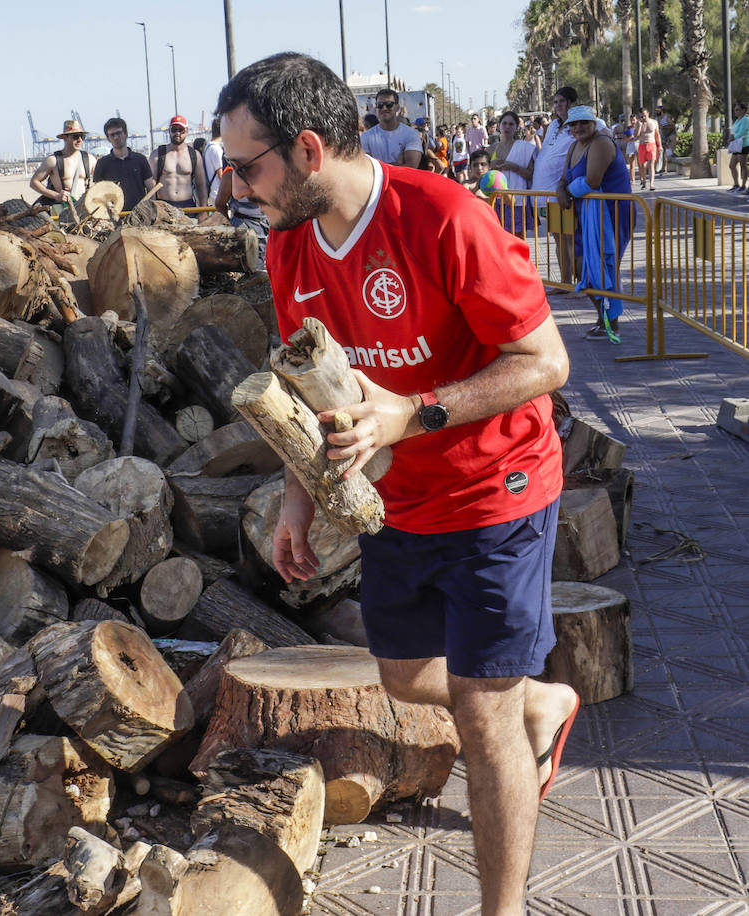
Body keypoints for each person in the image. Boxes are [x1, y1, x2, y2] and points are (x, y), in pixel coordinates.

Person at [215, 51, 576, 916]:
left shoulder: (444, 215)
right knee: (410, 677)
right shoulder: (290, 247)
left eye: (245, 164)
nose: (235, 185)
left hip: (499, 490)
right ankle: (547, 698)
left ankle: (504, 908)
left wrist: (409, 415)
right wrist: (299, 500)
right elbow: (311, 383)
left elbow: (546, 361)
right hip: (393, 505)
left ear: (306, 150)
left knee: (479, 717)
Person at [557, 105, 633, 343]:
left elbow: (592, 181)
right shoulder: (572, 147)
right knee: (582, 268)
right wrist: (561, 188)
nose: (578, 128)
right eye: (574, 124)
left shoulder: (601, 142)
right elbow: (563, 179)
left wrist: (566, 191)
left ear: (593, 123)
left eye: (584, 123)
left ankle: (611, 323)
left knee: (604, 267)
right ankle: (603, 318)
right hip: (584, 216)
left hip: (610, 215)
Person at [531, 87, 590, 284]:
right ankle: (565, 283)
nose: (558, 106)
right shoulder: (553, 126)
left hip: (561, 193)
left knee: (570, 238)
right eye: (555, 102)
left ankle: (579, 283)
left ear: (572, 103)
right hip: (543, 193)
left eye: (562, 101)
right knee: (558, 238)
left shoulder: (579, 126)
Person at [489, 110, 538, 238]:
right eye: (504, 123)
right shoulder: (491, 149)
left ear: (516, 127)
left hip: (517, 201)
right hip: (496, 201)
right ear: (499, 125)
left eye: (511, 124)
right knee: (499, 239)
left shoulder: (525, 148)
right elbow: (482, 174)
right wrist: (491, 168)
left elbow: (531, 175)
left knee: (518, 240)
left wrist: (514, 167)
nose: (507, 127)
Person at [29, 119, 98, 209]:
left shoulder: (90, 159)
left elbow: (101, 182)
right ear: (65, 138)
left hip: (84, 208)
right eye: (75, 136)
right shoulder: (53, 160)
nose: (80, 140)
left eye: (82, 136)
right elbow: (34, 182)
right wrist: (56, 195)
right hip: (63, 208)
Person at [94, 117, 156, 211]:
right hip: (114, 216)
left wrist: (151, 211)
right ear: (108, 138)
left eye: (118, 133)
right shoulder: (102, 163)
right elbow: (98, 192)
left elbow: (151, 189)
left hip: (140, 216)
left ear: (126, 134)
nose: (116, 137)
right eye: (112, 135)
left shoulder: (140, 160)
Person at [149, 115, 208, 208]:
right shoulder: (157, 155)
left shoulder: (194, 155)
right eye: (174, 129)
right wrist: (151, 209)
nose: (177, 133)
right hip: (164, 206)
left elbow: (201, 184)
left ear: (187, 131)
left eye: (181, 130)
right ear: (169, 131)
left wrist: (204, 209)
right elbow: (151, 184)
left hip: (188, 206)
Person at [360, 89, 422, 169]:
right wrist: (397, 164)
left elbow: (411, 167)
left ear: (397, 107)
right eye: (380, 105)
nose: (384, 108)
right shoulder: (366, 137)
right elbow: (366, 169)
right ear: (376, 108)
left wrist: (379, 167)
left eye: (389, 104)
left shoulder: (411, 134)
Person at [633, 108, 662, 190]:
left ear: (648, 113)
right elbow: (636, 136)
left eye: (644, 115)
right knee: (643, 166)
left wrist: (660, 145)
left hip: (652, 144)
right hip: (642, 145)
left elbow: (657, 135)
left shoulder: (654, 122)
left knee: (651, 164)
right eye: (641, 116)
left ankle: (651, 184)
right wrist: (640, 126)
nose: (643, 117)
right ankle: (644, 182)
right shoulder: (638, 123)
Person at [726, 102, 748, 192]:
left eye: (737, 110)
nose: (735, 111)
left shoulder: (746, 119)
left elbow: (742, 131)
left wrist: (733, 137)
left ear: (743, 110)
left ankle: (743, 186)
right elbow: (734, 131)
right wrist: (731, 137)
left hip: (744, 144)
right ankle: (736, 184)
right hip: (736, 145)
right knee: (732, 165)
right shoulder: (737, 120)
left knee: (743, 165)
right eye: (735, 110)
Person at [656, 105, 675, 175]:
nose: (657, 112)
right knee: (662, 153)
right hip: (661, 137)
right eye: (657, 111)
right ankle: (663, 168)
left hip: (668, 137)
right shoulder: (657, 118)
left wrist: (663, 127)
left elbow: (673, 126)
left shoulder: (667, 117)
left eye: (658, 110)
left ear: (662, 111)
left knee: (666, 153)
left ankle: (665, 169)